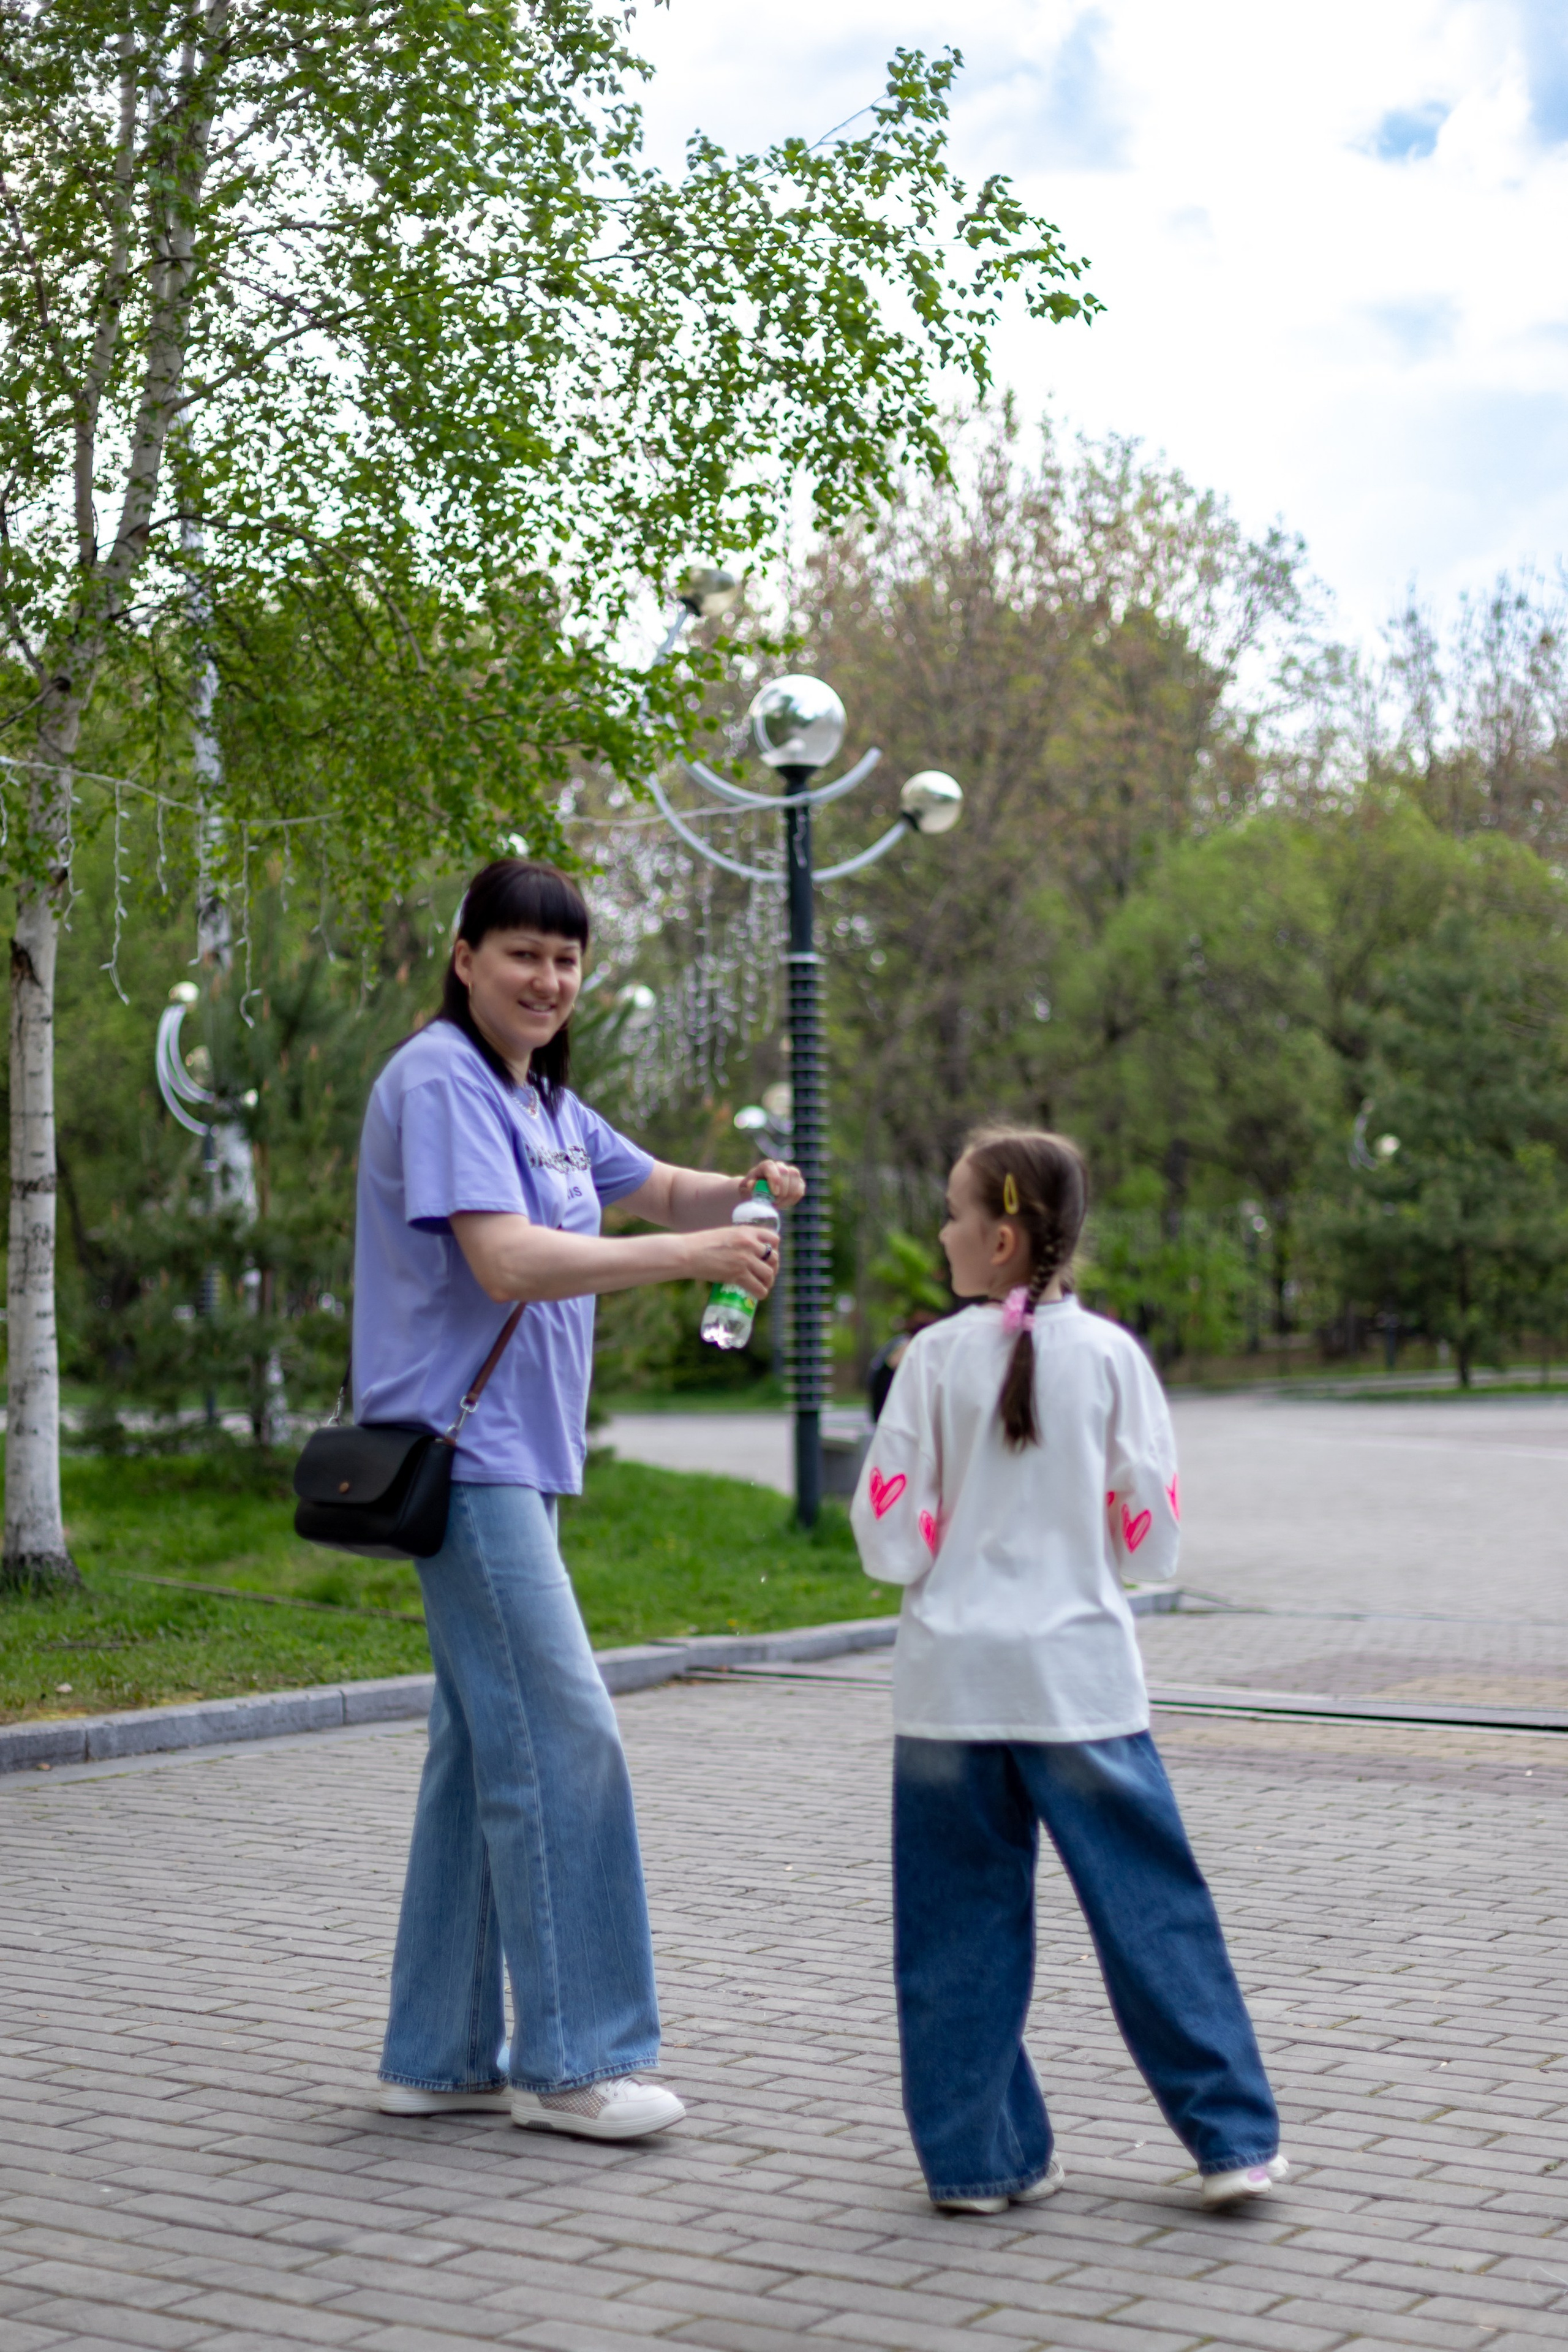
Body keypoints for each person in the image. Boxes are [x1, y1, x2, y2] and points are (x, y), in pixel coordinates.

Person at [360, 857, 802, 2141]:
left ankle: (434, 2054)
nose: (547, 981)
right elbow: (502, 1264)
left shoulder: (537, 1098)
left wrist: (739, 1193)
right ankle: (576, 2061)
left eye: (565, 960)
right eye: (521, 955)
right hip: (467, 1461)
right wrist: (692, 1257)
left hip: (516, 1461)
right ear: (464, 958)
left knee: (476, 1755)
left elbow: (654, 1185)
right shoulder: (440, 1078)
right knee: (564, 1743)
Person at [851, 1127, 1286, 2214]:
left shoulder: (929, 1363)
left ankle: (977, 2162)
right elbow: (1151, 1543)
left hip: (952, 1688)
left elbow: (889, 1540)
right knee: (1152, 1916)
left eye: (953, 1214)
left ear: (999, 1239)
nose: (941, 1232)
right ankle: (1231, 2143)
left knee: (955, 1931)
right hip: (1081, 1685)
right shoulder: (1114, 1359)